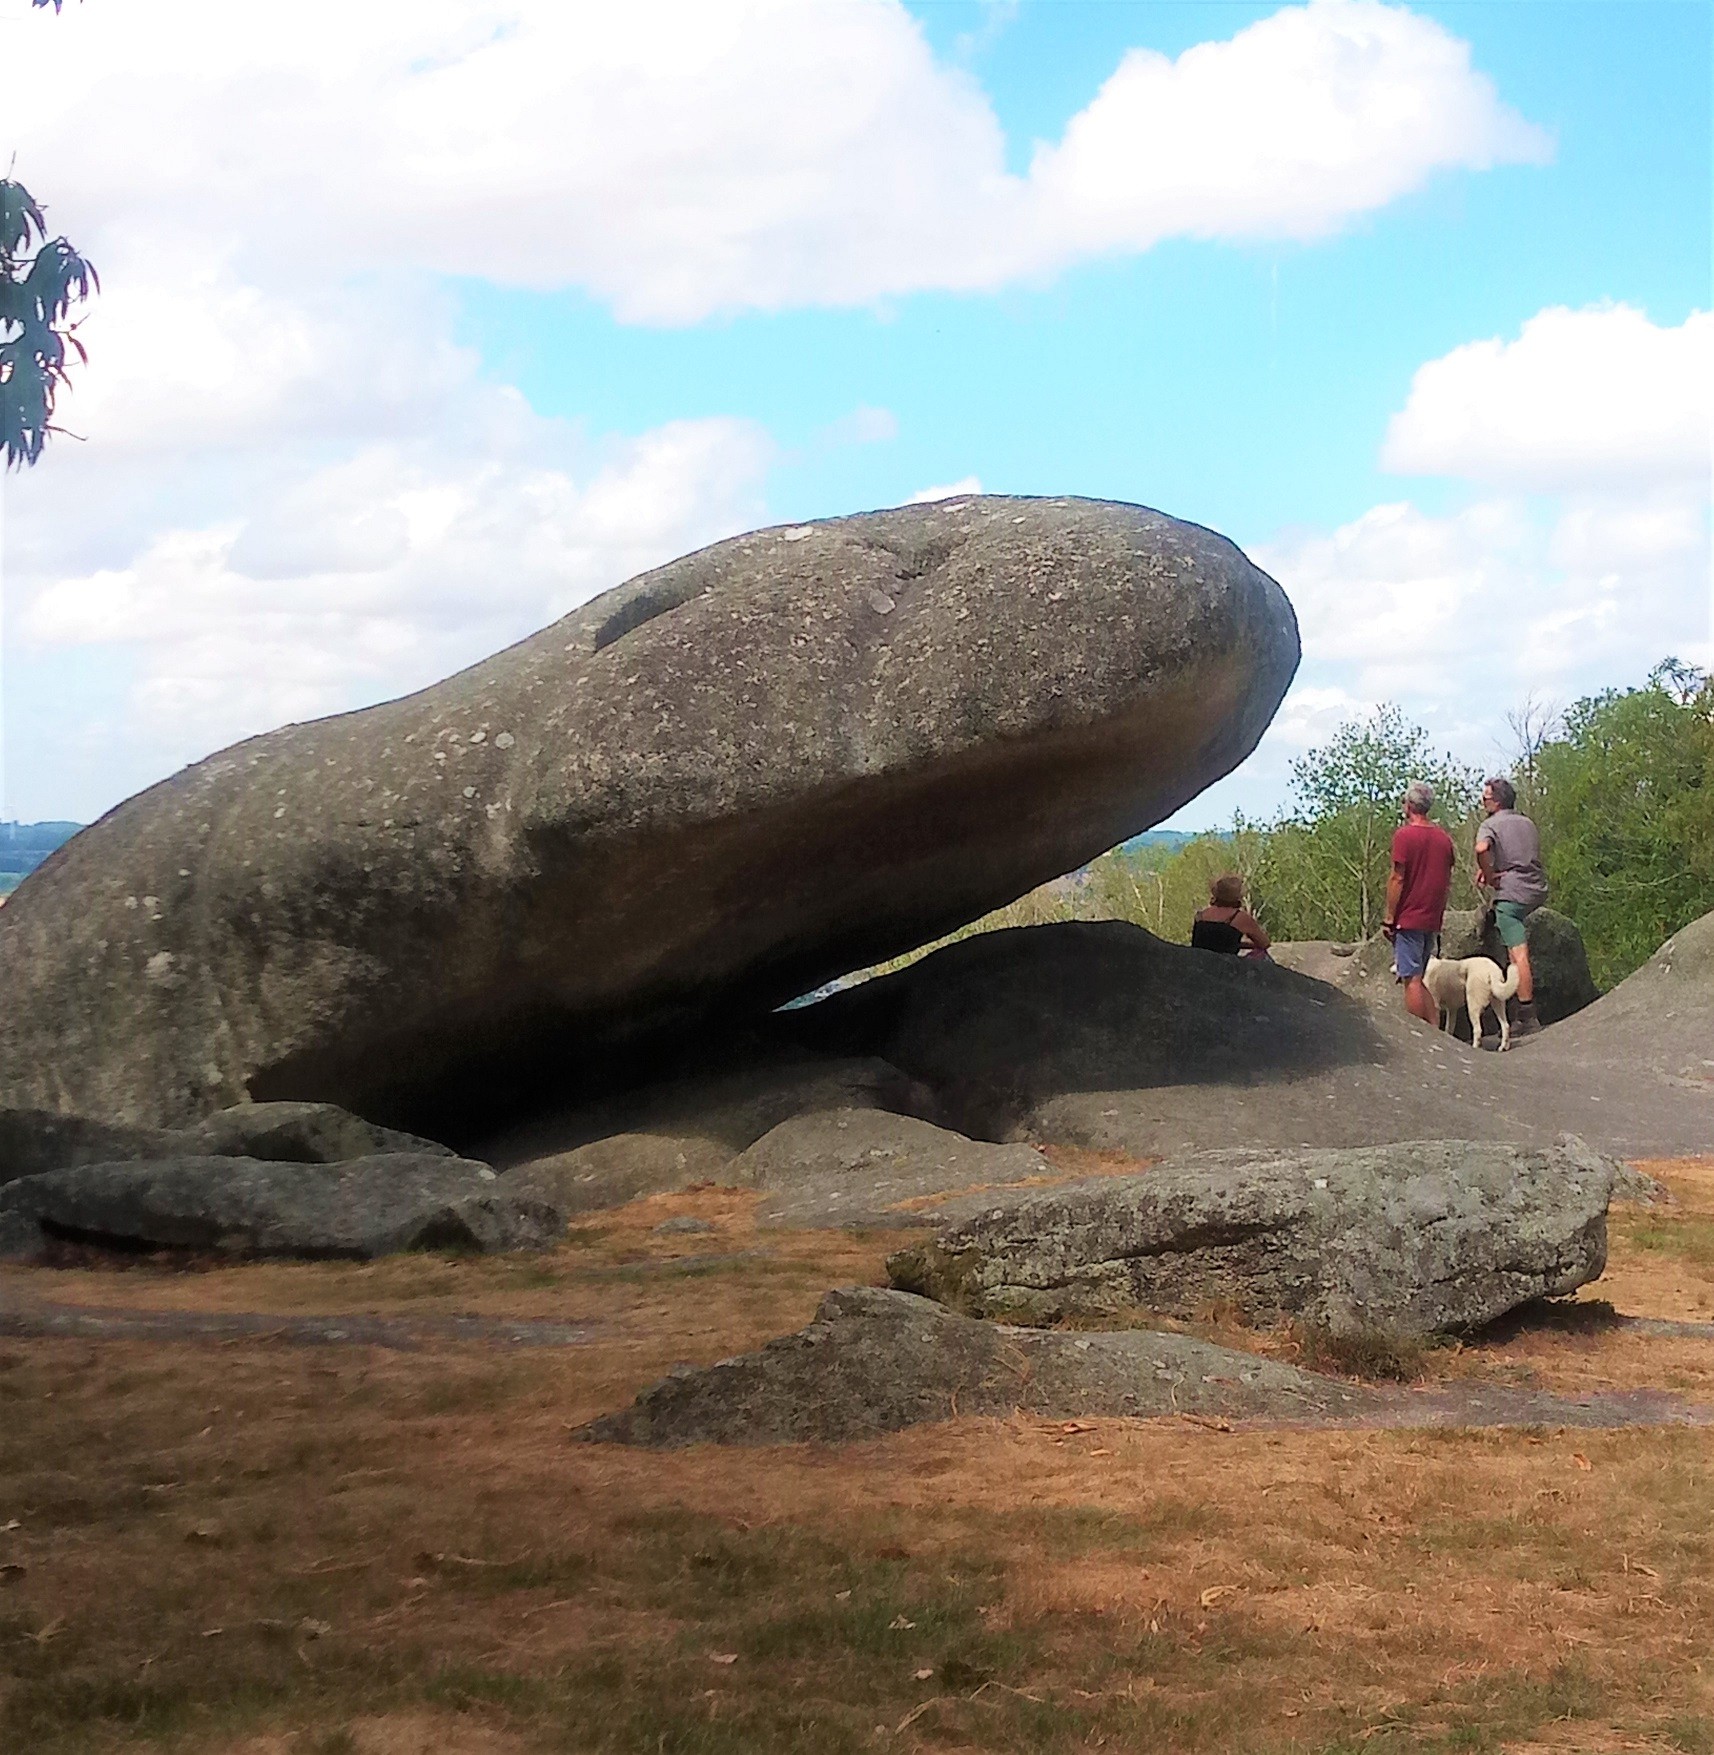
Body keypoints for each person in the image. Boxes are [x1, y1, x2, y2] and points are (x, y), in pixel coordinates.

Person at [1474, 775, 1548, 1039]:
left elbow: (1481, 848)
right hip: (1536, 888)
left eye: (1486, 797)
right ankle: (1521, 1011)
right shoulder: (1526, 822)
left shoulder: (1490, 824)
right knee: (1513, 949)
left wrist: (1489, 873)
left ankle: (1527, 1015)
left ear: (1497, 801)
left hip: (1512, 895)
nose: (1483, 801)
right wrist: (1492, 870)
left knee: (1518, 955)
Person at [1381, 779, 1455, 1026]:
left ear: (1409, 805)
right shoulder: (1444, 839)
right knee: (1419, 976)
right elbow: (1446, 879)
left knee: (1410, 977)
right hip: (1431, 918)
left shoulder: (1404, 836)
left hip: (1409, 917)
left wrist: (1390, 917)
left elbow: (1397, 877)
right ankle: (1434, 1027)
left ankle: (1420, 1034)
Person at [1192, 873, 1271, 958]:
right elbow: (1264, 943)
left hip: (1199, 962)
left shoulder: (1201, 916)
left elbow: (1212, 943)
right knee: (1262, 954)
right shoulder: (1239, 917)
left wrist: (1237, 944)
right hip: (1225, 965)